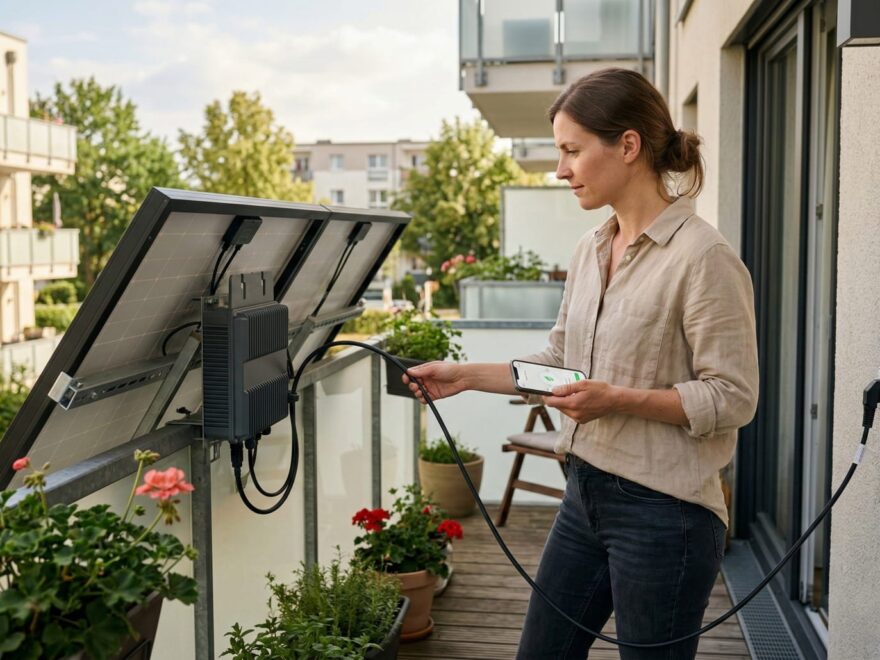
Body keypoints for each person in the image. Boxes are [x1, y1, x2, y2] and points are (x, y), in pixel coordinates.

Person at [402, 67, 759, 660]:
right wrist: (464, 377)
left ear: (628, 145)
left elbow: (733, 397)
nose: (559, 169)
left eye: (571, 150)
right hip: (583, 495)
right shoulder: (591, 249)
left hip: (666, 515)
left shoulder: (704, 258)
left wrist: (617, 399)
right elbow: (560, 365)